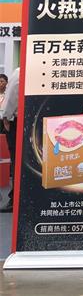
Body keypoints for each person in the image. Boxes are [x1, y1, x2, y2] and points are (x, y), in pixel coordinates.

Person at [0, 68, 19, 213]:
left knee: (17, 159)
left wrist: (6, 116)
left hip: (19, 120)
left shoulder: (20, 71)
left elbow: (12, 95)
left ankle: (15, 199)